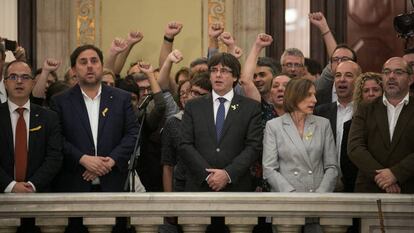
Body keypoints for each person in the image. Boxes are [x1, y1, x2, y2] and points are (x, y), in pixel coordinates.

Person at [51, 44, 138, 233]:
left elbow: (132, 134)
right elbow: (57, 140)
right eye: (83, 62)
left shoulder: (121, 98)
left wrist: (110, 161)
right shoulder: (60, 101)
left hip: (113, 185)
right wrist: (83, 159)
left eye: (94, 61)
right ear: (74, 70)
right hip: (75, 186)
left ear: (102, 65)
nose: (90, 66)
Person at [180, 52, 262, 233]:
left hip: (236, 188)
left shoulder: (251, 107)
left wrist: (227, 174)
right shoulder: (194, 106)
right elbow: (185, 144)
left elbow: (254, 146)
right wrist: (208, 175)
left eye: (224, 71)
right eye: (214, 70)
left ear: (235, 77)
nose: (218, 75)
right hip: (199, 188)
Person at [262, 78, 338, 233]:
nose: (314, 100)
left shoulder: (323, 124)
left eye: (314, 95)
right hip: (286, 201)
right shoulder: (274, 126)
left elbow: (332, 166)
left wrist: (321, 194)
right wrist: (291, 194)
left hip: (317, 201)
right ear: (295, 96)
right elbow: (269, 168)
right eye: (309, 95)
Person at [0, 60, 63, 233]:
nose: (19, 81)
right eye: (13, 77)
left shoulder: (49, 118)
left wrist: (32, 185)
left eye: (25, 77)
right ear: (5, 82)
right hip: (2, 200)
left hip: (40, 201)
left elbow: (54, 158)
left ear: (33, 83)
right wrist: (11, 186)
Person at [348, 57, 414, 193]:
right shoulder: (365, 108)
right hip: (369, 189)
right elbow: (354, 147)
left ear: (410, 79)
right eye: (386, 72)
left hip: (408, 189)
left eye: (398, 72)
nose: (391, 77)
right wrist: (382, 178)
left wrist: (396, 174)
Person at [314, 60, 361, 191]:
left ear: (359, 80)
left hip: (357, 184)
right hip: (324, 185)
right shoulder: (320, 112)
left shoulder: (365, 111)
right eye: (338, 75)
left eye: (349, 75)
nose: (342, 80)